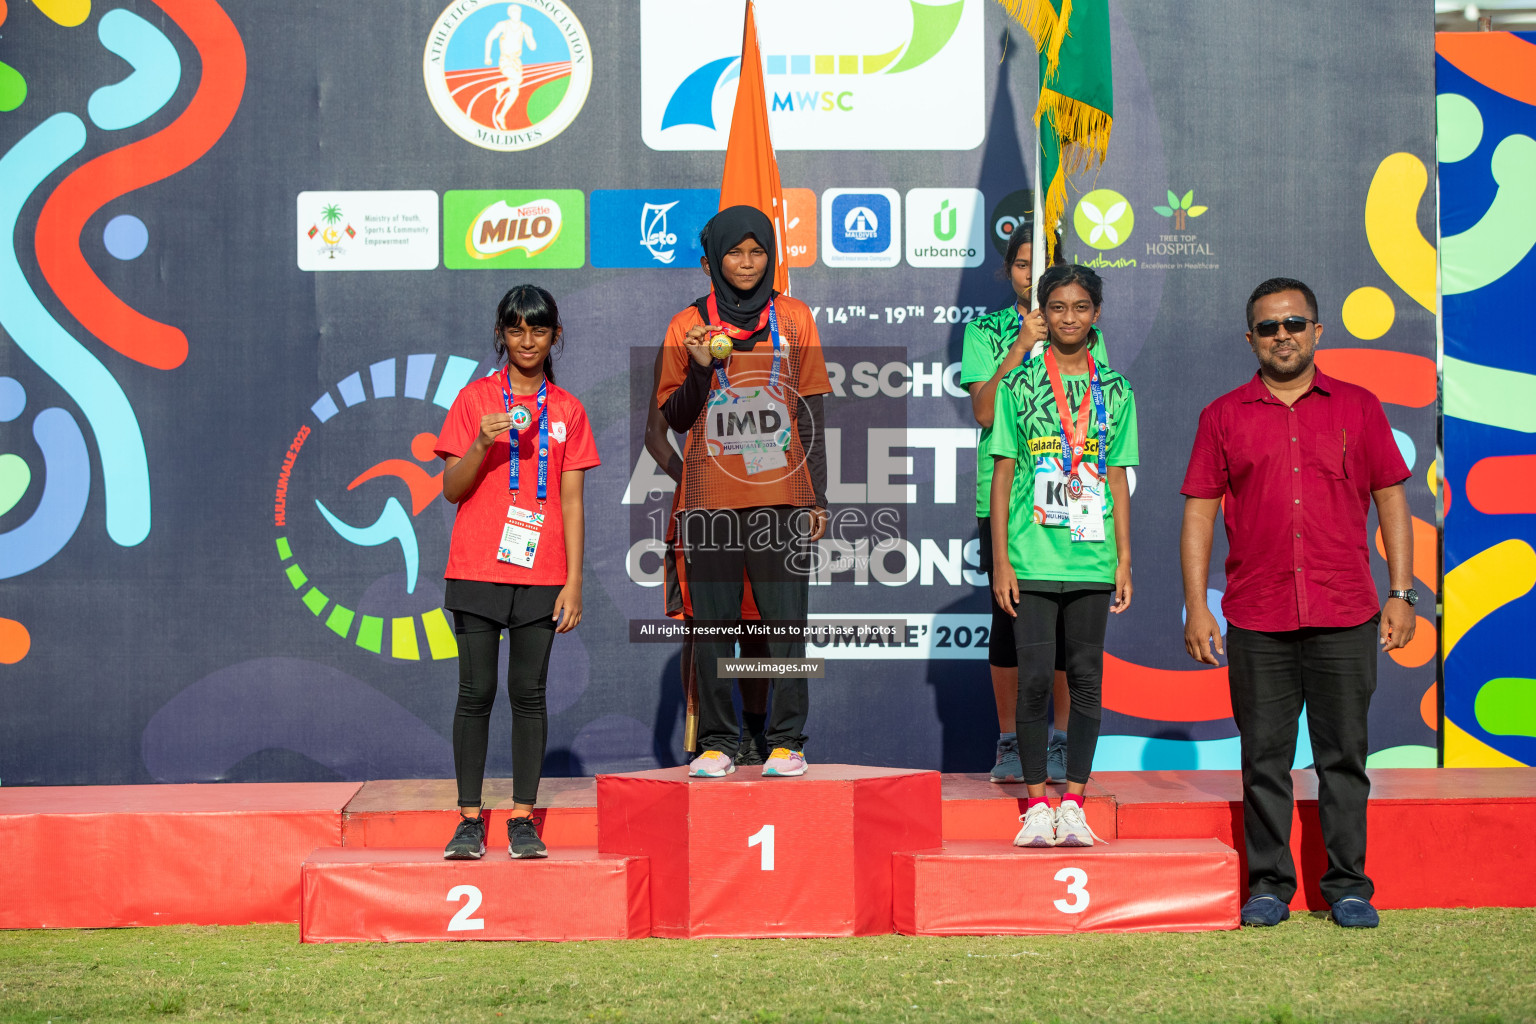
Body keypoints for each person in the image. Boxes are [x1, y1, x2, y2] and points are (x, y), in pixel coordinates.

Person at [1180, 277, 1414, 929]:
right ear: (1250, 339)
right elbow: (1199, 512)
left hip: (1347, 611)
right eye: (1268, 327)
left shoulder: (1360, 407)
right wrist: (1197, 605)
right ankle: (1269, 886)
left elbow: (1392, 498)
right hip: (1258, 615)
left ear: (1317, 331)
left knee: (1345, 758)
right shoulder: (1222, 415)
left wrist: (1401, 591)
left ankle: (1348, 887)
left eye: (1293, 324)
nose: (1282, 336)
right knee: (1264, 760)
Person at [656, 205, 831, 779]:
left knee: (784, 626)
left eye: (758, 252)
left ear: (771, 256)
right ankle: (716, 742)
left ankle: (786, 740)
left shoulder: (796, 318)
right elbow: (675, 419)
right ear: (714, 258)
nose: (747, 263)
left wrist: (817, 498)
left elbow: (809, 414)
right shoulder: (687, 326)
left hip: (781, 497)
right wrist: (702, 368)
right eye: (736, 252)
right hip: (710, 501)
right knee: (713, 628)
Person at [436, 284, 599, 859]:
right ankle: (468, 819)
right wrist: (481, 443)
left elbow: (572, 502)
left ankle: (523, 819)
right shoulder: (474, 399)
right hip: (477, 567)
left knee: (528, 694)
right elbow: (452, 489)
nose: (526, 341)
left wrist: (574, 581)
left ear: (555, 335)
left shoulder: (569, 410)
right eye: (515, 329)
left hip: (543, 573)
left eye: (538, 330)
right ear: (501, 335)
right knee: (476, 691)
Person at [989, 264, 1136, 847]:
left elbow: (1119, 477)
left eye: (1080, 307)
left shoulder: (1116, 389)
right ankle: (1035, 802)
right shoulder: (1019, 386)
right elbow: (1003, 473)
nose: (1068, 317)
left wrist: (1125, 557)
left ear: (1095, 314)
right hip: (1032, 556)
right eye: (1057, 307)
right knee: (1031, 682)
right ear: (1040, 314)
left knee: (1086, 679)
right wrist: (1001, 559)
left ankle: (1073, 799)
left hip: (1092, 559)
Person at [961, 230, 1109, 784]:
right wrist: (1022, 347)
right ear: (1008, 270)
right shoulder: (987, 330)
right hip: (1008, 500)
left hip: (1079, 500)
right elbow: (982, 412)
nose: (1029, 274)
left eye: (1039, 266)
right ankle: (1008, 741)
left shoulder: (1086, 333)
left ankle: (1063, 744)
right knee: (1012, 626)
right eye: (1021, 265)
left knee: (1072, 637)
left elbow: (1102, 410)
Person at [646, 341, 773, 766]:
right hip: (701, 510)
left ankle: (755, 735)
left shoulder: (769, 350)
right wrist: (697, 477)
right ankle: (708, 740)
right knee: (701, 626)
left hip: (758, 506)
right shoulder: (689, 343)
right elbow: (655, 434)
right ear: (710, 268)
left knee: (757, 625)